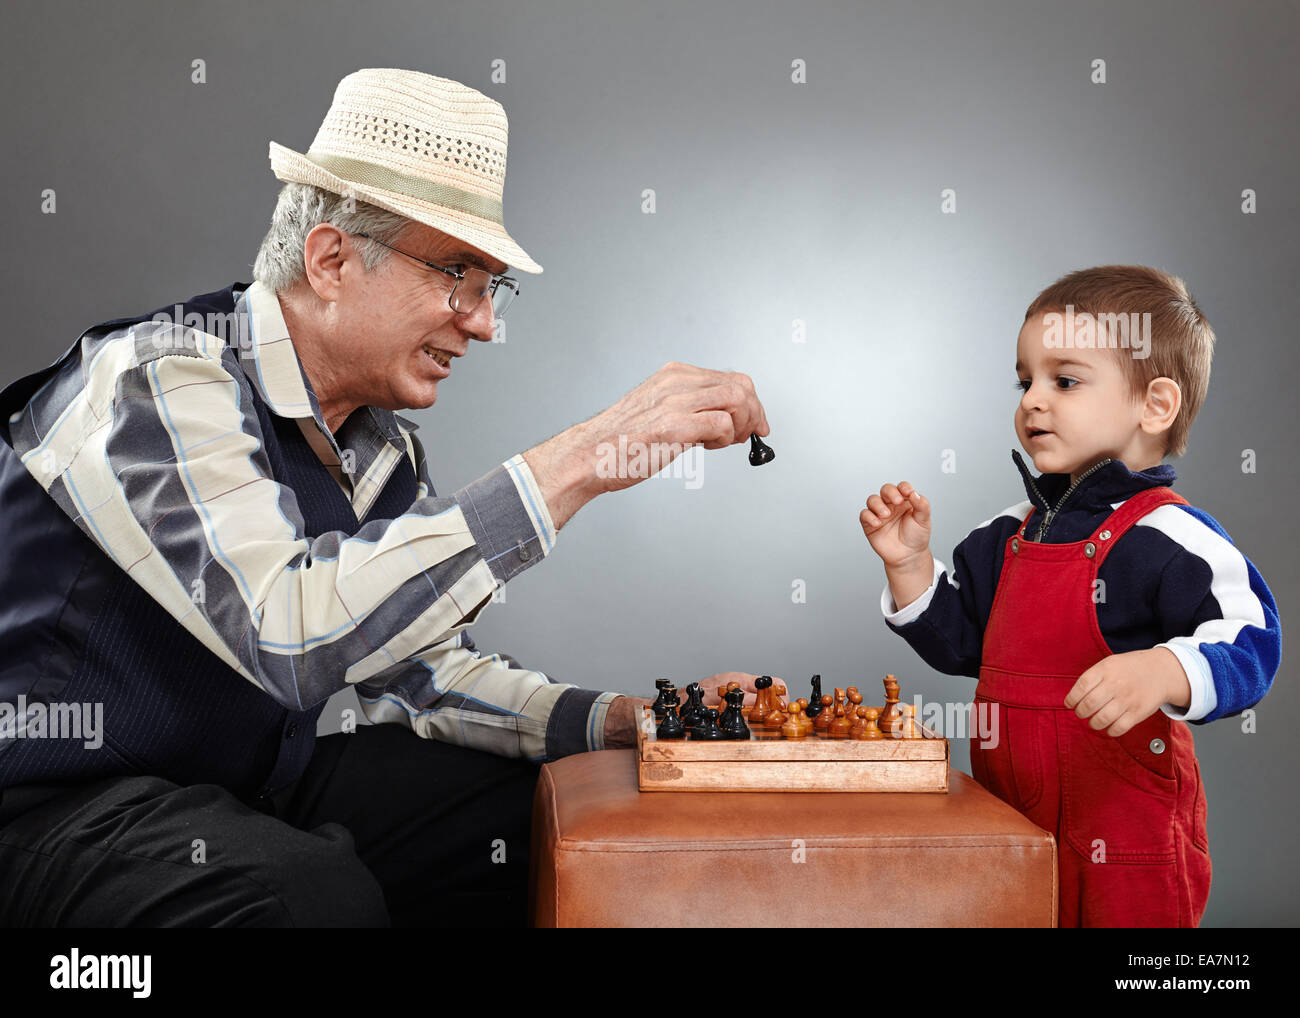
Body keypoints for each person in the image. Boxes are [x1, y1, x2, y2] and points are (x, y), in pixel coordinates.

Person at [0, 68, 770, 927]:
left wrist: (629, 722)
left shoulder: (381, 450)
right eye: (457, 274)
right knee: (305, 896)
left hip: (231, 795)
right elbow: (286, 630)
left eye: (490, 288)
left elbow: (426, 677)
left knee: (551, 815)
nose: (482, 322)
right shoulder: (159, 379)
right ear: (330, 260)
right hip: (47, 811)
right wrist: (585, 458)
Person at [859, 265, 1281, 927]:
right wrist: (911, 564)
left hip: (1130, 843)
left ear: (1155, 406)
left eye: (1065, 380)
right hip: (1014, 829)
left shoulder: (1168, 536)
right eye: (1025, 380)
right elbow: (961, 642)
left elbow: (1252, 640)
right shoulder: (1005, 535)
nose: (1032, 399)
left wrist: (1165, 669)